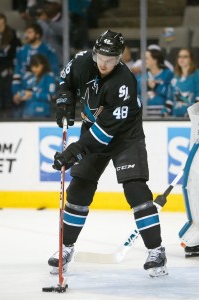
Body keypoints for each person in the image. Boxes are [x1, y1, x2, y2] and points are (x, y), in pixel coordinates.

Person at [48, 30, 168, 278]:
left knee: (135, 189)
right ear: (94, 53)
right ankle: (65, 247)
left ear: (119, 58)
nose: (104, 64)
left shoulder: (124, 82)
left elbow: (105, 133)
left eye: (110, 60)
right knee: (79, 188)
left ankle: (156, 250)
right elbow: (65, 82)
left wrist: (75, 150)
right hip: (93, 128)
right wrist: (63, 101)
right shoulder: (81, 60)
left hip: (125, 137)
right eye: (101, 57)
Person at [12, 22, 59, 98]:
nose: (26, 35)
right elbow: (17, 72)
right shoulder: (21, 51)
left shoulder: (48, 51)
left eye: (29, 32)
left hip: (42, 90)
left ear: (37, 35)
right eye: (25, 32)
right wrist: (16, 92)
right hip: (23, 90)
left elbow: (54, 72)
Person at [13, 53, 56, 118]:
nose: (34, 69)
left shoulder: (49, 77)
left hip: (43, 114)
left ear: (43, 65)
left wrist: (32, 95)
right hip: (27, 113)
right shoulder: (29, 77)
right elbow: (26, 91)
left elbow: (51, 97)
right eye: (32, 66)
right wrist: (19, 96)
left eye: (36, 66)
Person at [162, 48, 199, 117]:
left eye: (185, 57)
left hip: (192, 119)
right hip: (176, 119)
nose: (181, 59)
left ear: (191, 59)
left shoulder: (197, 75)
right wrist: (165, 111)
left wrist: (192, 114)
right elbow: (170, 99)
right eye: (179, 56)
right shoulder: (174, 77)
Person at [136, 48, 173, 117]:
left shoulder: (168, 74)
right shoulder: (140, 77)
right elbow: (136, 96)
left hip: (162, 114)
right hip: (144, 114)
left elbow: (171, 93)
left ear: (155, 60)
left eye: (146, 58)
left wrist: (166, 111)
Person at [0, 13, 21, 117]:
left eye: (0, 20)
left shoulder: (11, 34)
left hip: (7, 65)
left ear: (4, 21)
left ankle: (7, 108)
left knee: (6, 84)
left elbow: (15, 51)